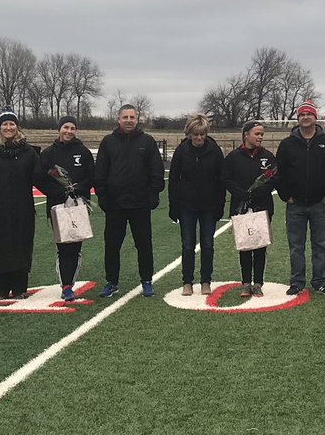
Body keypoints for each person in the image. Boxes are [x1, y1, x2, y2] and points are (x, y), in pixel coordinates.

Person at [93, 103, 165, 298]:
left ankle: (147, 280)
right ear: (118, 119)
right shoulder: (108, 142)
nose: (129, 121)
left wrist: (152, 195)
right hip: (115, 205)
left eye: (132, 117)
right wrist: (103, 197)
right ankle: (112, 282)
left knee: (144, 244)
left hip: (140, 204)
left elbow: (156, 172)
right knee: (112, 245)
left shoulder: (147, 141)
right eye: (125, 117)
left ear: (137, 119)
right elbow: (99, 172)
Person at [0, 111, 45, 299]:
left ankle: (20, 287)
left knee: (22, 247)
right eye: (5, 124)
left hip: (23, 210)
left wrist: (60, 189)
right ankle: (2, 288)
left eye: (12, 124)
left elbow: (40, 178)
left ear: (17, 126)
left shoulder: (28, 152)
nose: (9, 128)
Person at [276, 100, 325, 296]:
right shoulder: (287, 144)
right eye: (302, 115)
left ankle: (320, 280)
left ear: (315, 118)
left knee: (320, 244)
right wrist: (285, 195)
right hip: (295, 204)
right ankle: (297, 281)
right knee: (296, 245)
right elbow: (279, 172)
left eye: (309, 114)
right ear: (298, 119)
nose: (305, 117)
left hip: (320, 204)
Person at [38, 116, 96, 302]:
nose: (69, 131)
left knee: (76, 247)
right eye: (65, 127)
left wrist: (79, 188)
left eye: (72, 128)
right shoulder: (48, 153)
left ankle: (71, 281)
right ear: (59, 129)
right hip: (58, 206)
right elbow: (39, 178)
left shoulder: (83, 152)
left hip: (79, 205)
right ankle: (66, 286)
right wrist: (58, 191)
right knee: (63, 247)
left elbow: (92, 176)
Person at [168, 113, 226, 296]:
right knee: (187, 245)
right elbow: (173, 180)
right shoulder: (181, 152)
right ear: (189, 134)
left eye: (202, 134)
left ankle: (206, 280)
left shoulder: (215, 151)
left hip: (209, 206)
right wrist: (173, 205)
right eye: (195, 134)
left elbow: (221, 180)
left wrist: (220, 205)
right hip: (187, 206)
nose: (199, 138)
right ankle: (187, 281)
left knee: (208, 244)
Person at [223, 120, 277, 297]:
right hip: (240, 208)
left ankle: (258, 283)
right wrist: (241, 194)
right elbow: (227, 179)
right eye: (257, 133)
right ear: (246, 134)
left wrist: (256, 194)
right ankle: (246, 283)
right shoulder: (233, 157)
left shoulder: (268, 156)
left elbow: (273, 180)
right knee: (245, 246)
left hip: (262, 207)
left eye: (262, 134)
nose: (260, 137)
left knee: (260, 247)